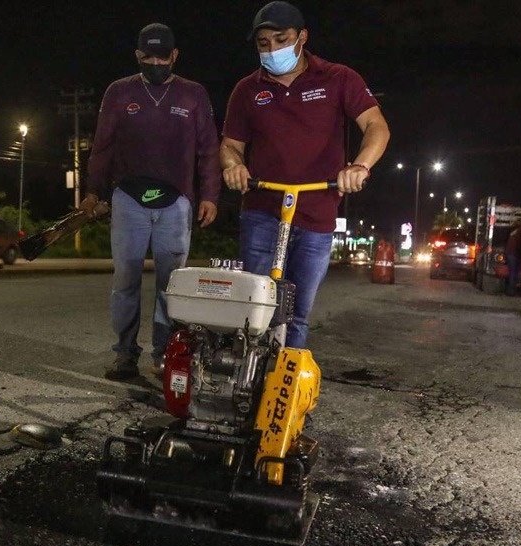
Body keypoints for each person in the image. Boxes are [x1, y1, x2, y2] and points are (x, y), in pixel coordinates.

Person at [220, 1, 390, 348]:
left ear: (302, 37)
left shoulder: (339, 78)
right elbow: (230, 145)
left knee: (296, 312)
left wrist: (359, 166)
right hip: (262, 211)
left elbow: (376, 126)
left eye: (281, 40)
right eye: (263, 43)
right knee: (256, 306)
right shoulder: (247, 90)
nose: (272, 50)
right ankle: (246, 381)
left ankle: (284, 392)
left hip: (317, 214)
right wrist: (233, 166)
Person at [81, 23, 221, 380]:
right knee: (125, 280)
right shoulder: (119, 92)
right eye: (149, 57)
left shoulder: (193, 94)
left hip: (176, 203)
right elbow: (103, 146)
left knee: (170, 284)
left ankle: (165, 354)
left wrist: (209, 196)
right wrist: (93, 191)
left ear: (175, 56)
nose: (156, 63)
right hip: (128, 199)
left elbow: (208, 150)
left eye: (163, 56)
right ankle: (125, 353)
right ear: (138, 56)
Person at [504, 220, 521, 295]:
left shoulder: (514, 231)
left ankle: (509, 289)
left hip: (509, 253)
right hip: (514, 253)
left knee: (512, 271)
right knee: (514, 272)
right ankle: (512, 290)